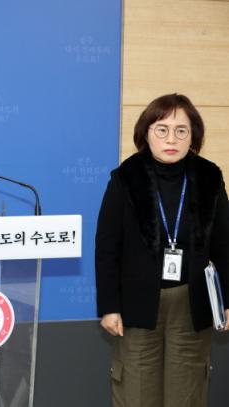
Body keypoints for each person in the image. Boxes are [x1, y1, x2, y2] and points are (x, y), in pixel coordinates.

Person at [95, 93, 229, 407]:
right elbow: (107, 247)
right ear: (146, 133)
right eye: (162, 129)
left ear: (193, 136)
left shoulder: (209, 177)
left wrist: (227, 301)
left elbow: (225, 245)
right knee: (137, 392)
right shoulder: (125, 178)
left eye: (181, 130)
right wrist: (109, 306)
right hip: (138, 304)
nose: (171, 139)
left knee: (187, 393)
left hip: (192, 302)